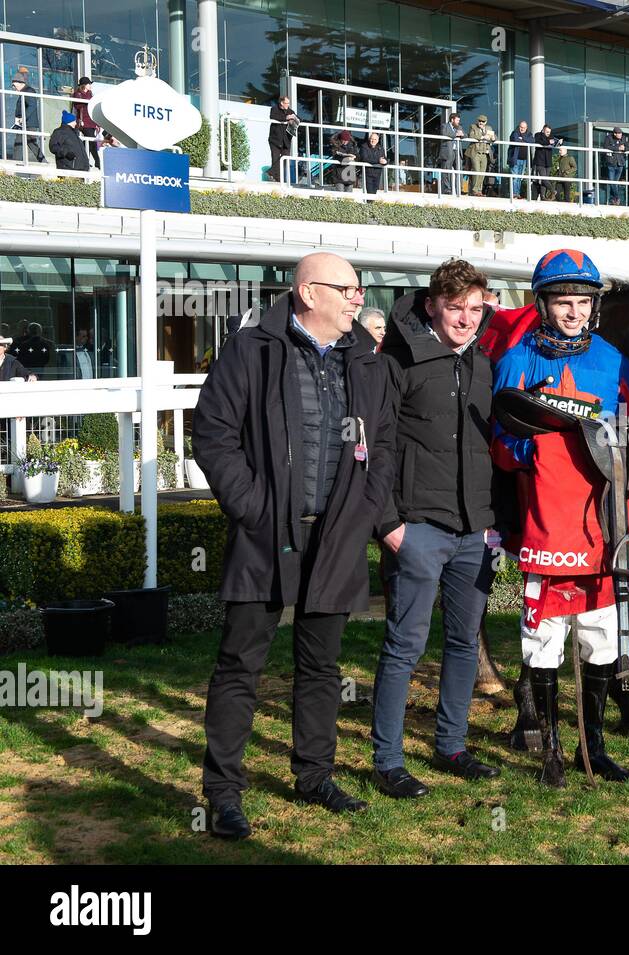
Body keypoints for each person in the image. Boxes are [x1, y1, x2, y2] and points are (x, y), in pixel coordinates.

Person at [193, 252, 398, 839]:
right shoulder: (252, 348)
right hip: (266, 536)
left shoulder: (366, 360)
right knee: (240, 664)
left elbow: (382, 443)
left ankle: (314, 776)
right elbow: (212, 430)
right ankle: (223, 794)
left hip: (336, 535)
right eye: (348, 288)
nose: (358, 298)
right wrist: (252, 506)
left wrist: (364, 509)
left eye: (359, 290)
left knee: (322, 665)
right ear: (309, 292)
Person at [492, 248, 629, 787]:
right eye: (562, 301)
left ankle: (591, 749)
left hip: (601, 523)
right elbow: (501, 443)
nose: (572, 311)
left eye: (582, 302)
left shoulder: (616, 362)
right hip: (546, 523)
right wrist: (542, 458)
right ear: (542, 303)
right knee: (544, 636)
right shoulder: (517, 359)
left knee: (600, 634)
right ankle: (548, 745)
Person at [371, 259, 502, 796]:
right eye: (455, 308)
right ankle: (387, 761)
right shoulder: (396, 363)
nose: (466, 319)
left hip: (476, 534)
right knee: (405, 646)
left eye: (475, 309)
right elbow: (372, 448)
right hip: (416, 530)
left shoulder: (485, 365)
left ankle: (452, 745)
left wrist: (494, 527)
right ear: (432, 307)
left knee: (463, 645)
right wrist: (388, 526)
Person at [4, 66, 44, 162]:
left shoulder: (29, 91)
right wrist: (18, 119)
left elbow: (32, 106)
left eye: (15, 85)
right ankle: (43, 162)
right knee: (29, 144)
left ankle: (15, 164)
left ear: (20, 83)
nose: (14, 87)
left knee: (21, 144)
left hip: (28, 124)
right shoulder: (24, 92)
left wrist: (22, 118)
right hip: (25, 124)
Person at [70, 77, 99, 170]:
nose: (90, 86)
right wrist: (88, 102)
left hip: (91, 121)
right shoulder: (77, 94)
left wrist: (97, 123)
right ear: (84, 85)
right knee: (91, 141)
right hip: (84, 122)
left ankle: (82, 158)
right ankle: (97, 162)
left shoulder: (91, 94)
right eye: (89, 84)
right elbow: (77, 105)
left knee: (90, 142)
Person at [268, 95, 297, 183]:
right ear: (281, 103)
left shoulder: (290, 111)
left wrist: (294, 119)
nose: (288, 105)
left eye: (288, 103)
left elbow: (299, 118)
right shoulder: (274, 109)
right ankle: (277, 179)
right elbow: (272, 116)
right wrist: (286, 118)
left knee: (285, 158)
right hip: (275, 139)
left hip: (286, 140)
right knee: (275, 158)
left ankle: (271, 172)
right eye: (286, 103)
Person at [436, 112, 464, 195]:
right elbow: (444, 133)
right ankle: (447, 189)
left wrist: (461, 135)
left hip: (457, 151)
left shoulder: (459, 127)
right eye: (457, 120)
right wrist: (456, 134)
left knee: (459, 171)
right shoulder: (444, 126)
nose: (458, 122)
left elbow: (465, 135)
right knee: (446, 170)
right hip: (447, 151)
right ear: (452, 120)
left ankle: (459, 189)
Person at [601, 127, 629, 205]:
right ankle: (617, 197)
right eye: (619, 133)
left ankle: (612, 199)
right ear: (614, 133)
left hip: (620, 163)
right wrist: (617, 148)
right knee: (612, 182)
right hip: (611, 163)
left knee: (614, 182)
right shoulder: (608, 138)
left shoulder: (623, 138)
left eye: (621, 133)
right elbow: (606, 147)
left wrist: (624, 148)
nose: (620, 135)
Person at [532, 124, 558, 201]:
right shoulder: (538, 135)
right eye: (546, 132)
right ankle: (553, 191)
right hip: (540, 160)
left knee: (545, 179)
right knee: (543, 178)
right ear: (543, 130)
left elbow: (554, 143)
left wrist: (559, 142)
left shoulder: (551, 136)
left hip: (548, 161)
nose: (548, 133)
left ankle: (543, 197)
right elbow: (540, 141)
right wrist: (548, 141)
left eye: (549, 132)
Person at [507, 120, 530, 199]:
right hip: (515, 159)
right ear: (519, 126)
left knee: (520, 177)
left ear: (526, 128)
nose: (522, 129)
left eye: (524, 127)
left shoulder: (529, 134)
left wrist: (522, 138)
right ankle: (514, 194)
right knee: (515, 177)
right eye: (521, 127)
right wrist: (525, 140)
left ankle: (517, 193)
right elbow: (516, 139)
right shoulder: (515, 133)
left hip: (524, 160)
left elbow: (532, 140)